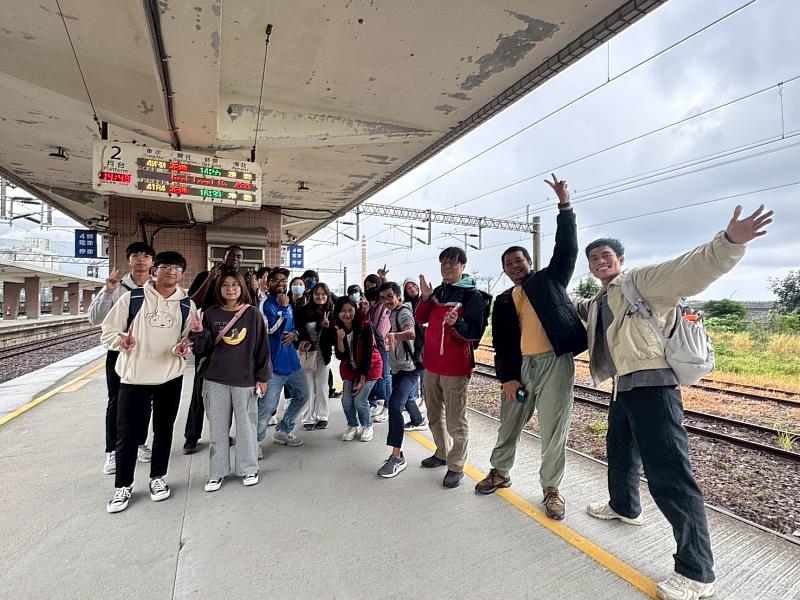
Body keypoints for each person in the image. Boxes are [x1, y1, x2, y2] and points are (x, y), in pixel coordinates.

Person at [574, 205, 774, 600]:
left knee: (670, 478)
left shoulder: (641, 281)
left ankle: (697, 572)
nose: (599, 262)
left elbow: (690, 269)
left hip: (655, 388)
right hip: (624, 388)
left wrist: (729, 242)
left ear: (620, 259)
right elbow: (572, 308)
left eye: (606, 256)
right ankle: (624, 507)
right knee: (620, 452)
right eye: (593, 258)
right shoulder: (601, 300)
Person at [475, 175, 587, 521]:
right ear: (504, 271)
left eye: (519, 260)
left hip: (555, 364)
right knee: (509, 422)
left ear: (529, 263)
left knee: (554, 428)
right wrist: (508, 377)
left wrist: (564, 207)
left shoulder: (550, 279)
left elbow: (567, 249)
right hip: (521, 368)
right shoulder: (503, 300)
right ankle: (500, 471)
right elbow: (501, 343)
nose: (514, 266)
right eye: (508, 264)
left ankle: (551, 489)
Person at [101, 251, 196, 513]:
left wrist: (183, 347)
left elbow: (187, 338)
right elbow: (107, 332)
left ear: (182, 274)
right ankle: (123, 485)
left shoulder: (186, 304)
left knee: (164, 430)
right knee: (128, 434)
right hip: (134, 377)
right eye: (166, 266)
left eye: (177, 268)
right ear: (155, 270)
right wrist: (121, 341)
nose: (171, 271)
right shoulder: (133, 298)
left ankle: (158, 477)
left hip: (170, 376)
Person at [189, 269, 271, 492]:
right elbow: (201, 349)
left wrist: (263, 377)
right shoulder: (210, 313)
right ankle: (217, 472)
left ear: (242, 288)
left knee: (247, 427)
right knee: (217, 428)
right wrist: (198, 332)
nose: (230, 288)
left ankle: (248, 468)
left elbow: (262, 348)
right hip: (215, 379)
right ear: (219, 289)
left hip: (245, 380)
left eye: (234, 284)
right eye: (225, 285)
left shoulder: (252, 314)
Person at [415, 247, 488, 488]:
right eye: (444, 263)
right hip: (431, 365)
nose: (447, 267)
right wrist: (426, 298)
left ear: (463, 267)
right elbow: (420, 319)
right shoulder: (438, 292)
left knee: (456, 420)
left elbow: (474, 332)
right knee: (434, 415)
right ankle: (442, 452)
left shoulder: (472, 295)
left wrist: (458, 324)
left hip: (456, 367)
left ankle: (456, 465)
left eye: (453, 263)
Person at [88, 241, 156, 475]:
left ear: (152, 262)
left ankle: (139, 443)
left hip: (147, 353)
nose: (141, 259)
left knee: (145, 401)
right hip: (119, 352)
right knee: (117, 401)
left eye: (146, 256)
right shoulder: (116, 287)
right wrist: (107, 292)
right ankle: (112, 450)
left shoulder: (156, 288)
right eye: (136, 255)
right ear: (129, 260)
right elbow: (95, 319)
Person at [182, 245, 245, 455]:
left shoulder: (241, 279)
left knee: (227, 392)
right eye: (231, 255)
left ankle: (222, 434)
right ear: (223, 257)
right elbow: (193, 302)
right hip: (206, 338)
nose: (235, 259)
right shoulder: (205, 275)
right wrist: (210, 279)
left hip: (232, 340)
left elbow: (248, 306)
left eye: (239, 256)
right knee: (200, 391)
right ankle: (191, 437)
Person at [376, 282, 426, 478]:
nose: (387, 301)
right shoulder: (393, 312)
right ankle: (418, 419)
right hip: (399, 367)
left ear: (398, 296)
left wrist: (395, 335)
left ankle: (397, 456)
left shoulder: (403, 312)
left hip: (409, 368)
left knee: (395, 406)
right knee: (402, 400)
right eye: (383, 298)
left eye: (390, 296)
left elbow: (411, 332)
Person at [257, 267, 310, 449]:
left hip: (292, 363)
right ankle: (255, 442)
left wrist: (294, 334)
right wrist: (285, 308)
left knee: (303, 395)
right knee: (267, 407)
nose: (281, 284)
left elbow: (292, 327)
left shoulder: (286, 302)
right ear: (268, 283)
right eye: (276, 280)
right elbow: (270, 330)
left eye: (284, 281)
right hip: (273, 366)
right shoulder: (266, 304)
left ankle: (283, 430)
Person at [333, 296, 383, 442]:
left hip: (369, 367)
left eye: (350, 310)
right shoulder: (337, 328)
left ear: (355, 310)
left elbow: (367, 354)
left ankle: (367, 426)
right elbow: (341, 356)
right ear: (337, 312)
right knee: (346, 401)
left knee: (360, 401)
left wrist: (361, 379)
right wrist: (340, 338)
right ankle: (353, 425)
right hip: (350, 368)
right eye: (343, 311)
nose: (347, 314)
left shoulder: (365, 326)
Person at [295, 282, 335, 430]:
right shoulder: (302, 311)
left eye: (323, 294)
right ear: (312, 295)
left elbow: (334, 337)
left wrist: (328, 327)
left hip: (323, 354)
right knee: (308, 387)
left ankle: (322, 416)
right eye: (317, 294)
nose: (320, 297)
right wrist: (301, 341)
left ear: (328, 296)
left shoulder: (331, 312)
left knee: (322, 386)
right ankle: (307, 418)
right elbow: (297, 330)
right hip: (307, 353)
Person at [363, 285, 391, 421]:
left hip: (384, 347)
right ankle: (379, 404)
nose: (372, 303)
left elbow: (380, 330)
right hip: (377, 346)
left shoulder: (384, 308)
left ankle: (387, 406)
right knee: (380, 376)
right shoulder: (372, 309)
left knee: (386, 376)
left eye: (374, 300)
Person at [402, 276, 426, 411]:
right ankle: (415, 397)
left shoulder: (424, 300)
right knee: (416, 368)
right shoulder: (406, 305)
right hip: (413, 341)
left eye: (413, 286)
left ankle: (424, 398)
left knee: (424, 370)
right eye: (408, 287)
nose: (412, 289)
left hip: (425, 340)